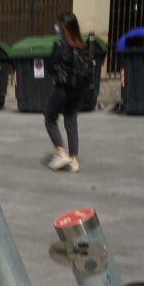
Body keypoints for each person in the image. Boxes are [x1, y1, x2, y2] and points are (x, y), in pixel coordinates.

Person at [44, 12, 91, 173]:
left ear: (64, 27)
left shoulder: (60, 46)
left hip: (63, 87)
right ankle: (74, 160)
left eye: (59, 25)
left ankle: (60, 152)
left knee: (50, 117)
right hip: (78, 89)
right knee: (71, 120)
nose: (56, 28)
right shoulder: (83, 46)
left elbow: (50, 67)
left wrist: (57, 67)